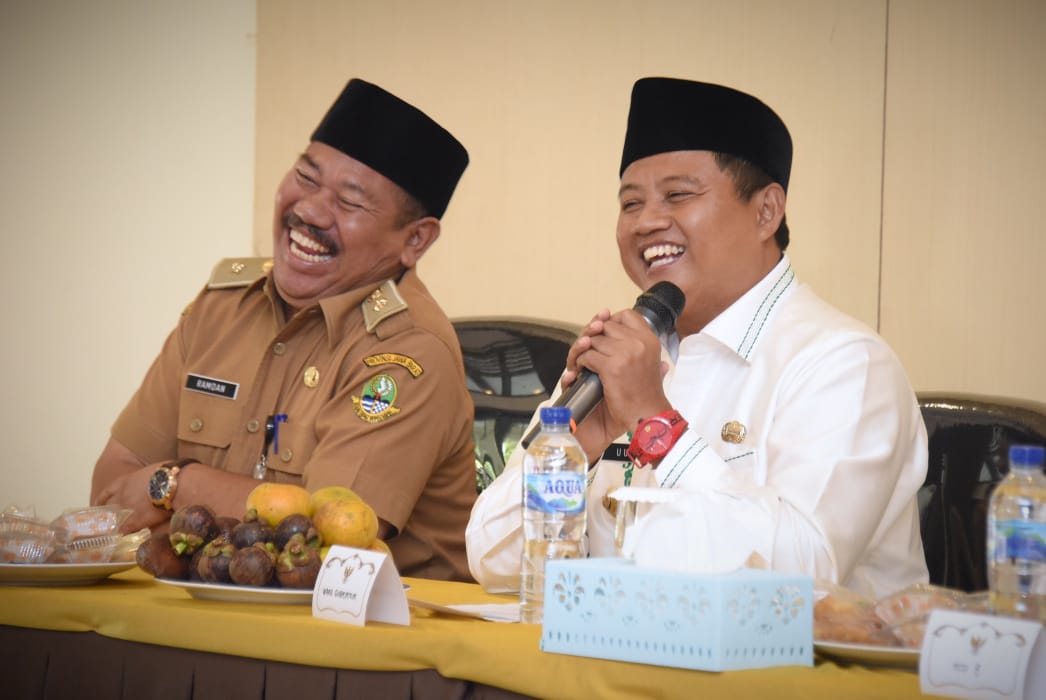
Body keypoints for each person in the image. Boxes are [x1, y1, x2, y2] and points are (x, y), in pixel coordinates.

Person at [466, 77, 929, 598]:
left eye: (678, 195)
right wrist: (577, 450)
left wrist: (656, 423)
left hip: (799, 678)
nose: (646, 223)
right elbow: (491, 556)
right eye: (631, 204)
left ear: (766, 211)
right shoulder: (625, 353)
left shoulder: (843, 363)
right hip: (614, 669)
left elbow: (807, 578)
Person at [92, 78, 477, 581]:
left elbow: (323, 537)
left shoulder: (407, 352)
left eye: (350, 202)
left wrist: (175, 486)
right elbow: (110, 490)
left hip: (366, 647)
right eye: (305, 176)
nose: (310, 210)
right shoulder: (222, 308)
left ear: (416, 240)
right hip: (212, 619)